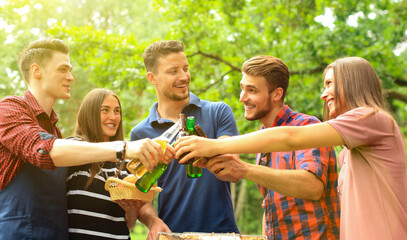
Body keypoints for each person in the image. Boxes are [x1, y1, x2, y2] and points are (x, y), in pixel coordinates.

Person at [175, 57, 407, 239]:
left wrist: (215, 144)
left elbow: (290, 138)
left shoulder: (372, 119)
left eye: (329, 84)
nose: (322, 94)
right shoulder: (349, 152)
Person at [0, 38, 169, 239]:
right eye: (63, 69)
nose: (70, 77)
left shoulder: (56, 133)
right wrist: (123, 148)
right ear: (37, 71)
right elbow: (43, 149)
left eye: (70, 70)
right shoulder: (10, 108)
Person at [180, 55, 340, 239]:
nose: (242, 98)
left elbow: (312, 187)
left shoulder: (306, 125)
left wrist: (244, 169)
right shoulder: (262, 137)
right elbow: (271, 205)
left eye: (252, 90)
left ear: (277, 94)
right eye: (242, 88)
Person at [130, 40, 240, 238]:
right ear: (152, 78)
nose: (184, 76)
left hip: (222, 234)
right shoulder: (140, 134)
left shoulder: (218, 112)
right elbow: (141, 196)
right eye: (173, 71)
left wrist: (206, 150)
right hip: (173, 235)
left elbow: (234, 172)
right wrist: (153, 221)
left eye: (186, 68)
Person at [66, 88, 163, 239]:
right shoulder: (75, 149)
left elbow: (126, 225)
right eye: (105, 110)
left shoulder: (127, 165)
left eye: (117, 111)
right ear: (90, 114)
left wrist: (131, 213)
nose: (113, 117)